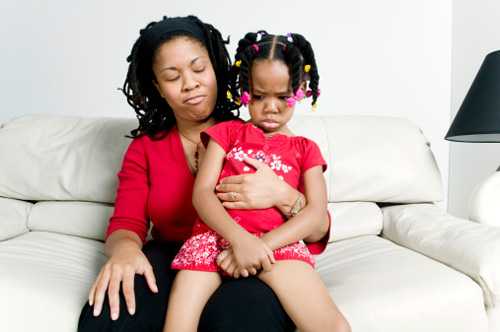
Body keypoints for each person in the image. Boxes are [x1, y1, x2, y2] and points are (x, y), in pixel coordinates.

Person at [77, 16, 331, 332]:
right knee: (113, 314)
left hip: (247, 248)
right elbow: (127, 223)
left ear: (217, 69)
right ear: (158, 86)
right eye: (172, 76)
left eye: (199, 69)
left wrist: (283, 195)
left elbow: (317, 225)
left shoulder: (256, 133)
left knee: (245, 317)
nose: (190, 83)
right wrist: (125, 252)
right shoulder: (146, 149)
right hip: (176, 253)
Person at [164, 31, 351, 332]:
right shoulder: (225, 134)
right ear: (244, 89)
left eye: (282, 96)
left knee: (334, 328)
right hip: (213, 241)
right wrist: (240, 240)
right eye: (260, 96)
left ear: (301, 89)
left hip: (278, 245)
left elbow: (315, 214)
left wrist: (258, 246)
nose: (271, 107)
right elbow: (201, 194)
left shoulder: (306, 149)